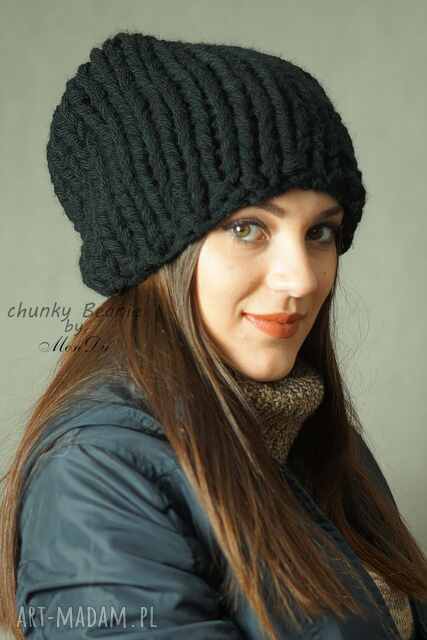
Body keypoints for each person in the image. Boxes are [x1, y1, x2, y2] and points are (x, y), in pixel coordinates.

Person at [1, 30, 427, 640]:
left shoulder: (311, 433)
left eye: (320, 233)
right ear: (157, 259)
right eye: (247, 228)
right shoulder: (97, 474)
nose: (302, 278)